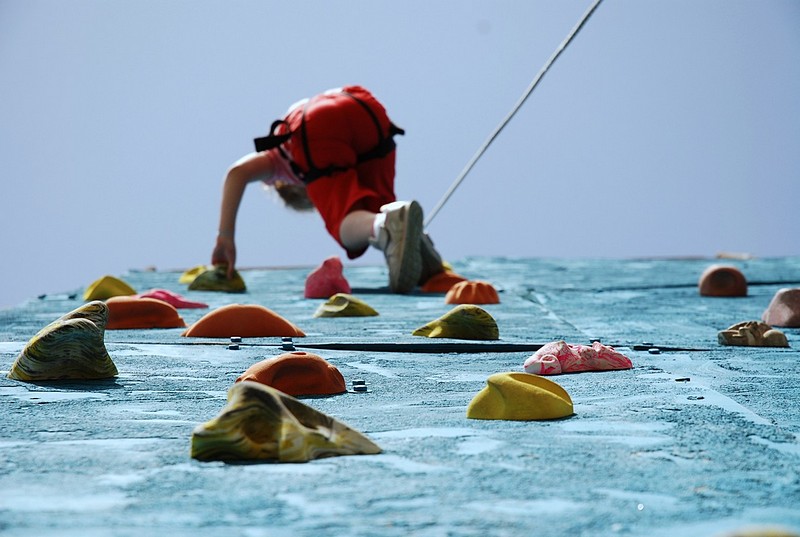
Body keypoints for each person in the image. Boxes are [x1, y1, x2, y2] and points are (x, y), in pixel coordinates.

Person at [211, 85, 444, 294]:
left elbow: (237, 173)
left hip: (317, 122)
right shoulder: (331, 155)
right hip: (364, 107)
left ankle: (385, 225)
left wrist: (225, 237)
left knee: (346, 224)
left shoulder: (278, 167)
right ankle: (419, 249)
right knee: (379, 208)